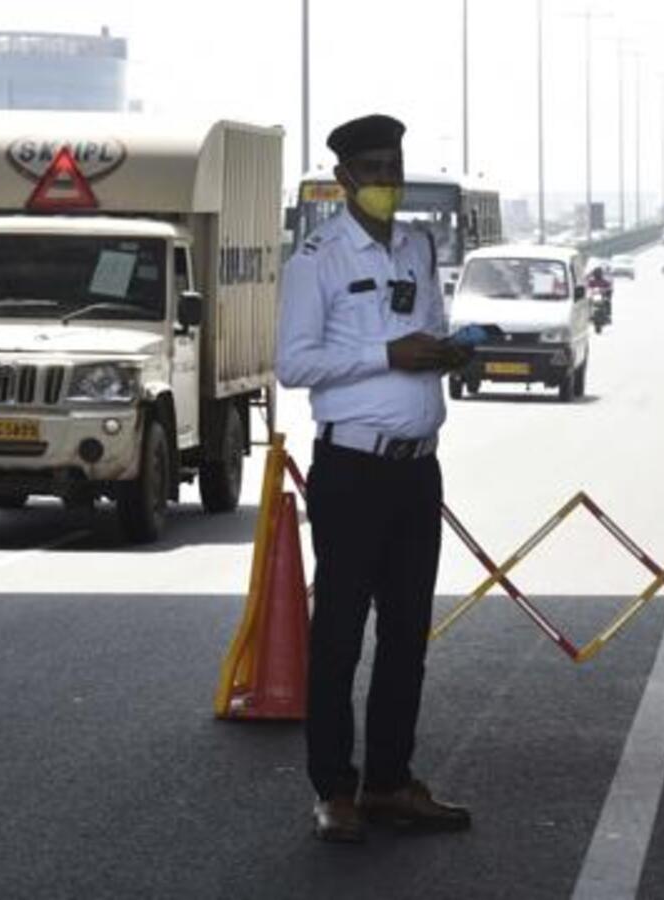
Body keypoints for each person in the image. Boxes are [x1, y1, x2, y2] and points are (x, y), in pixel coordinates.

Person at [275, 113, 475, 844]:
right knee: (339, 635)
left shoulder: (418, 248)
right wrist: (387, 356)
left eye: (394, 166)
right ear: (344, 180)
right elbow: (294, 365)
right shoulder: (318, 261)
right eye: (373, 169)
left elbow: (426, 329)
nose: (387, 181)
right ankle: (334, 789)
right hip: (352, 468)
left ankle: (390, 781)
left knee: (406, 634)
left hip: (417, 470)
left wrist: (448, 353)